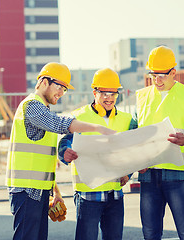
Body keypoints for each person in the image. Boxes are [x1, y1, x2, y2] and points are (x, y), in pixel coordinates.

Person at [6, 62, 115, 240]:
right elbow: (60, 123)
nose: (61, 93)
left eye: (65, 90)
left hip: (38, 191)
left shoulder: (43, 109)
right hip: (26, 191)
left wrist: (55, 192)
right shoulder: (32, 106)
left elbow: (43, 161)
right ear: (43, 82)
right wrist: (98, 128)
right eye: (59, 87)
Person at [136, 46, 184, 240]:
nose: (157, 81)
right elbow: (134, 134)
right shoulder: (142, 97)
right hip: (148, 177)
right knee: (150, 235)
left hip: (178, 176)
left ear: (173, 72)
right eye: (153, 75)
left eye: (162, 76)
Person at [58, 68, 137, 240]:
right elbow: (65, 142)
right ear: (95, 92)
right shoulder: (78, 116)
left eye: (113, 93)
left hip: (115, 194)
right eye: (104, 93)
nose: (109, 98)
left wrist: (128, 173)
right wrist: (65, 153)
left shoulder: (127, 120)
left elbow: (133, 150)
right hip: (88, 194)